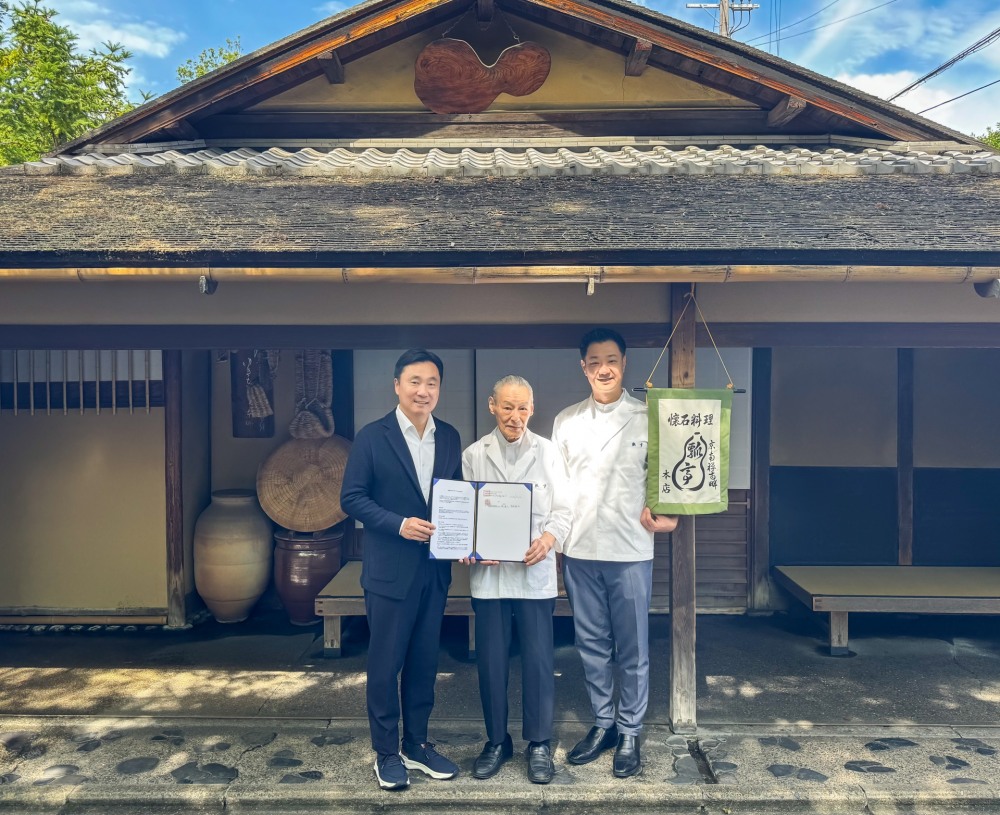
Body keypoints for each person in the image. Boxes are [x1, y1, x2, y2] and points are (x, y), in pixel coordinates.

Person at [551, 328, 678, 778]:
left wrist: (672, 517)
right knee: (590, 644)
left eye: (611, 360)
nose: (603, 368)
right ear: (583, 367)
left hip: (630, 548)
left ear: (624, 364)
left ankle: (630, 730)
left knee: (633, 646)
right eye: (593, 361)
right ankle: (603, 723)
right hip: (580, 547)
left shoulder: (648, 417)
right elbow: (557, 489)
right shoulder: (565, 421)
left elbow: (670, 482)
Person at [340, 349, 463, 791]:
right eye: (414, 381)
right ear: (397, 385)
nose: (423, 390)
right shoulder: (373, 437)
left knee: (424, 662)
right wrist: (399, 524)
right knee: (385, 663)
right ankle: (386, 752)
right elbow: (351, 499)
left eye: (431, 382)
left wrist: (465, 539)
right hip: (390, 571)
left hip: (434, 571)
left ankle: (417, 744)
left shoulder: (449, 436)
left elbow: (457, 496)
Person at [460, 375, 572, 785]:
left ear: (532, 408)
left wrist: (548, 539)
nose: (515, 416)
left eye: (523, 407)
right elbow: (466, 514)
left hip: (534, 572)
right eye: (507, 406)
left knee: (540, 660)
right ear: (492, 406)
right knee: (490, 661)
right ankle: (496, 741)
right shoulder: (474, 454)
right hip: (489, 577)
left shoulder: (548, 452)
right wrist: (472, 544)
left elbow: (564, 508)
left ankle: (539, 743)